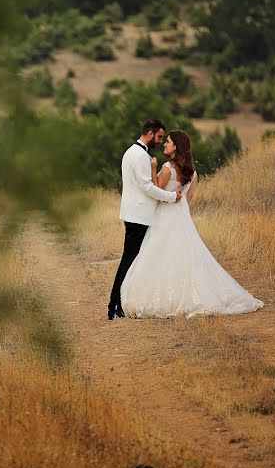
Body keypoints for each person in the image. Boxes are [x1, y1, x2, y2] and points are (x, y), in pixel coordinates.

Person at [119, 130, 263, 318]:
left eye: (168, 142)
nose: (165, 144)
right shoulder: (192, 173)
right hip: (181, 217)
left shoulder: (167, 168)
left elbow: (156, 191)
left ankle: (166, 297)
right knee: (186, 254)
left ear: (176, 146)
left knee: (161, 253)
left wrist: (153, 168)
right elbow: (189, 198)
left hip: (164, 216)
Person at [107, 119, 181, 320]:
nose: (159, 141)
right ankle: (115, 306)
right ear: (149, 133)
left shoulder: (132, 152)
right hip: (138, 216)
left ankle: (117, 305)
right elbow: (146, 187)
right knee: (129, 262)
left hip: (134, 213)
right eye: (158, 137)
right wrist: (171, 197)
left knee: (131, 261)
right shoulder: (139, 155)